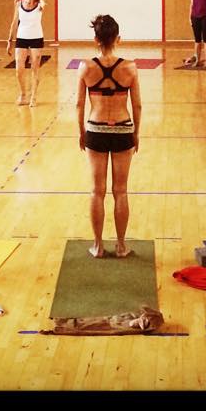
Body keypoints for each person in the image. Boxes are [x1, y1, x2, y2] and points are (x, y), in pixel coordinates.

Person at [76, 15, 142, 259]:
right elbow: (137, 105)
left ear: (96, 39)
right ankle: (121, 245)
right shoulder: (130, 68)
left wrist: (81, 132)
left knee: (97, 191)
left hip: (96, 129)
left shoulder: (86, 67)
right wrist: (136, 133)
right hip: (123, 128)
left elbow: (79, 104)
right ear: (118, 39)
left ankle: (98, 245)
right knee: (121, 191)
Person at [6, 0, 46, 106]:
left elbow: (43, 5)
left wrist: (39, 0)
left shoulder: (40, 3)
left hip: (36, 37)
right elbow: (14, 23)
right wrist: (9, 41)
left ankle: (33, 96)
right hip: (22, 37)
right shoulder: (19, 4)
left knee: (35, 67)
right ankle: (23, 94)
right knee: (19, 68)